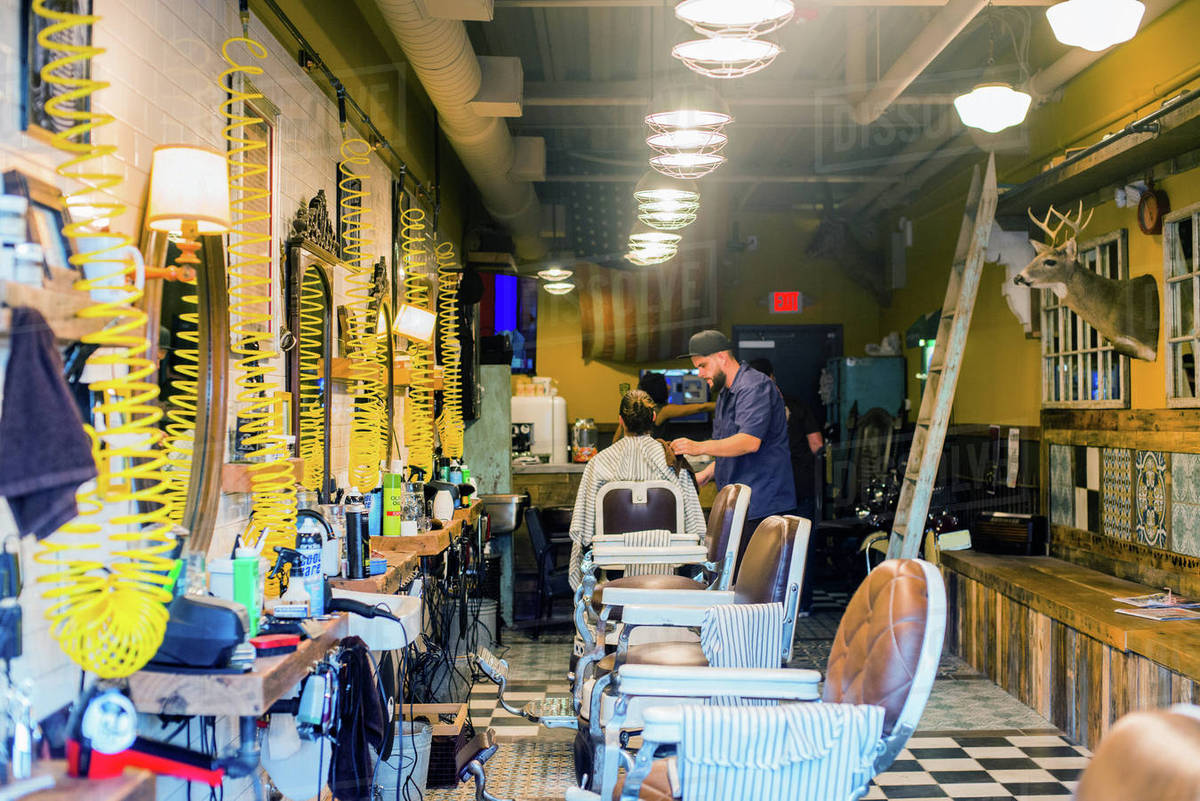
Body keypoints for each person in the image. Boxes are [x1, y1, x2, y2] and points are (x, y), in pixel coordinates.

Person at [671, 330, 796, 571]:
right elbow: (729, 449)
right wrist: (706, 475)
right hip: (740, 505)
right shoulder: (725, 395)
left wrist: (698, 447)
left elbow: (749, 442)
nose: (700, 373)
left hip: (763, 506)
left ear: (721, 356)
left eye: (703, 365)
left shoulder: (754, 387)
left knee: (756, 585)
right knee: (734, 579)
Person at [567, 389, 706, 591]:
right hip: (668, 577)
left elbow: (584, 533)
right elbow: (696, 530)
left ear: (620, 420)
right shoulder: (673, 463)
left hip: (614, 576)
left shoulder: (598, 464)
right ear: (654, 418)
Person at [748, 356, 824, 616]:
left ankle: (771, 604)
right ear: (773, 376)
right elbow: (817, 445)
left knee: (772, 546)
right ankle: (802, 604)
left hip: (770, 488)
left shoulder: (752, 410)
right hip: (801, 483)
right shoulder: (796, 405)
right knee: (802, 544)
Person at [611, 371, 716, 442]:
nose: (669, 386)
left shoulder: (632, 409)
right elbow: (701, 407)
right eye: (666, 383)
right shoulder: (662, 410)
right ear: (658, 389)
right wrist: (724, 403)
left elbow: (615, 440)